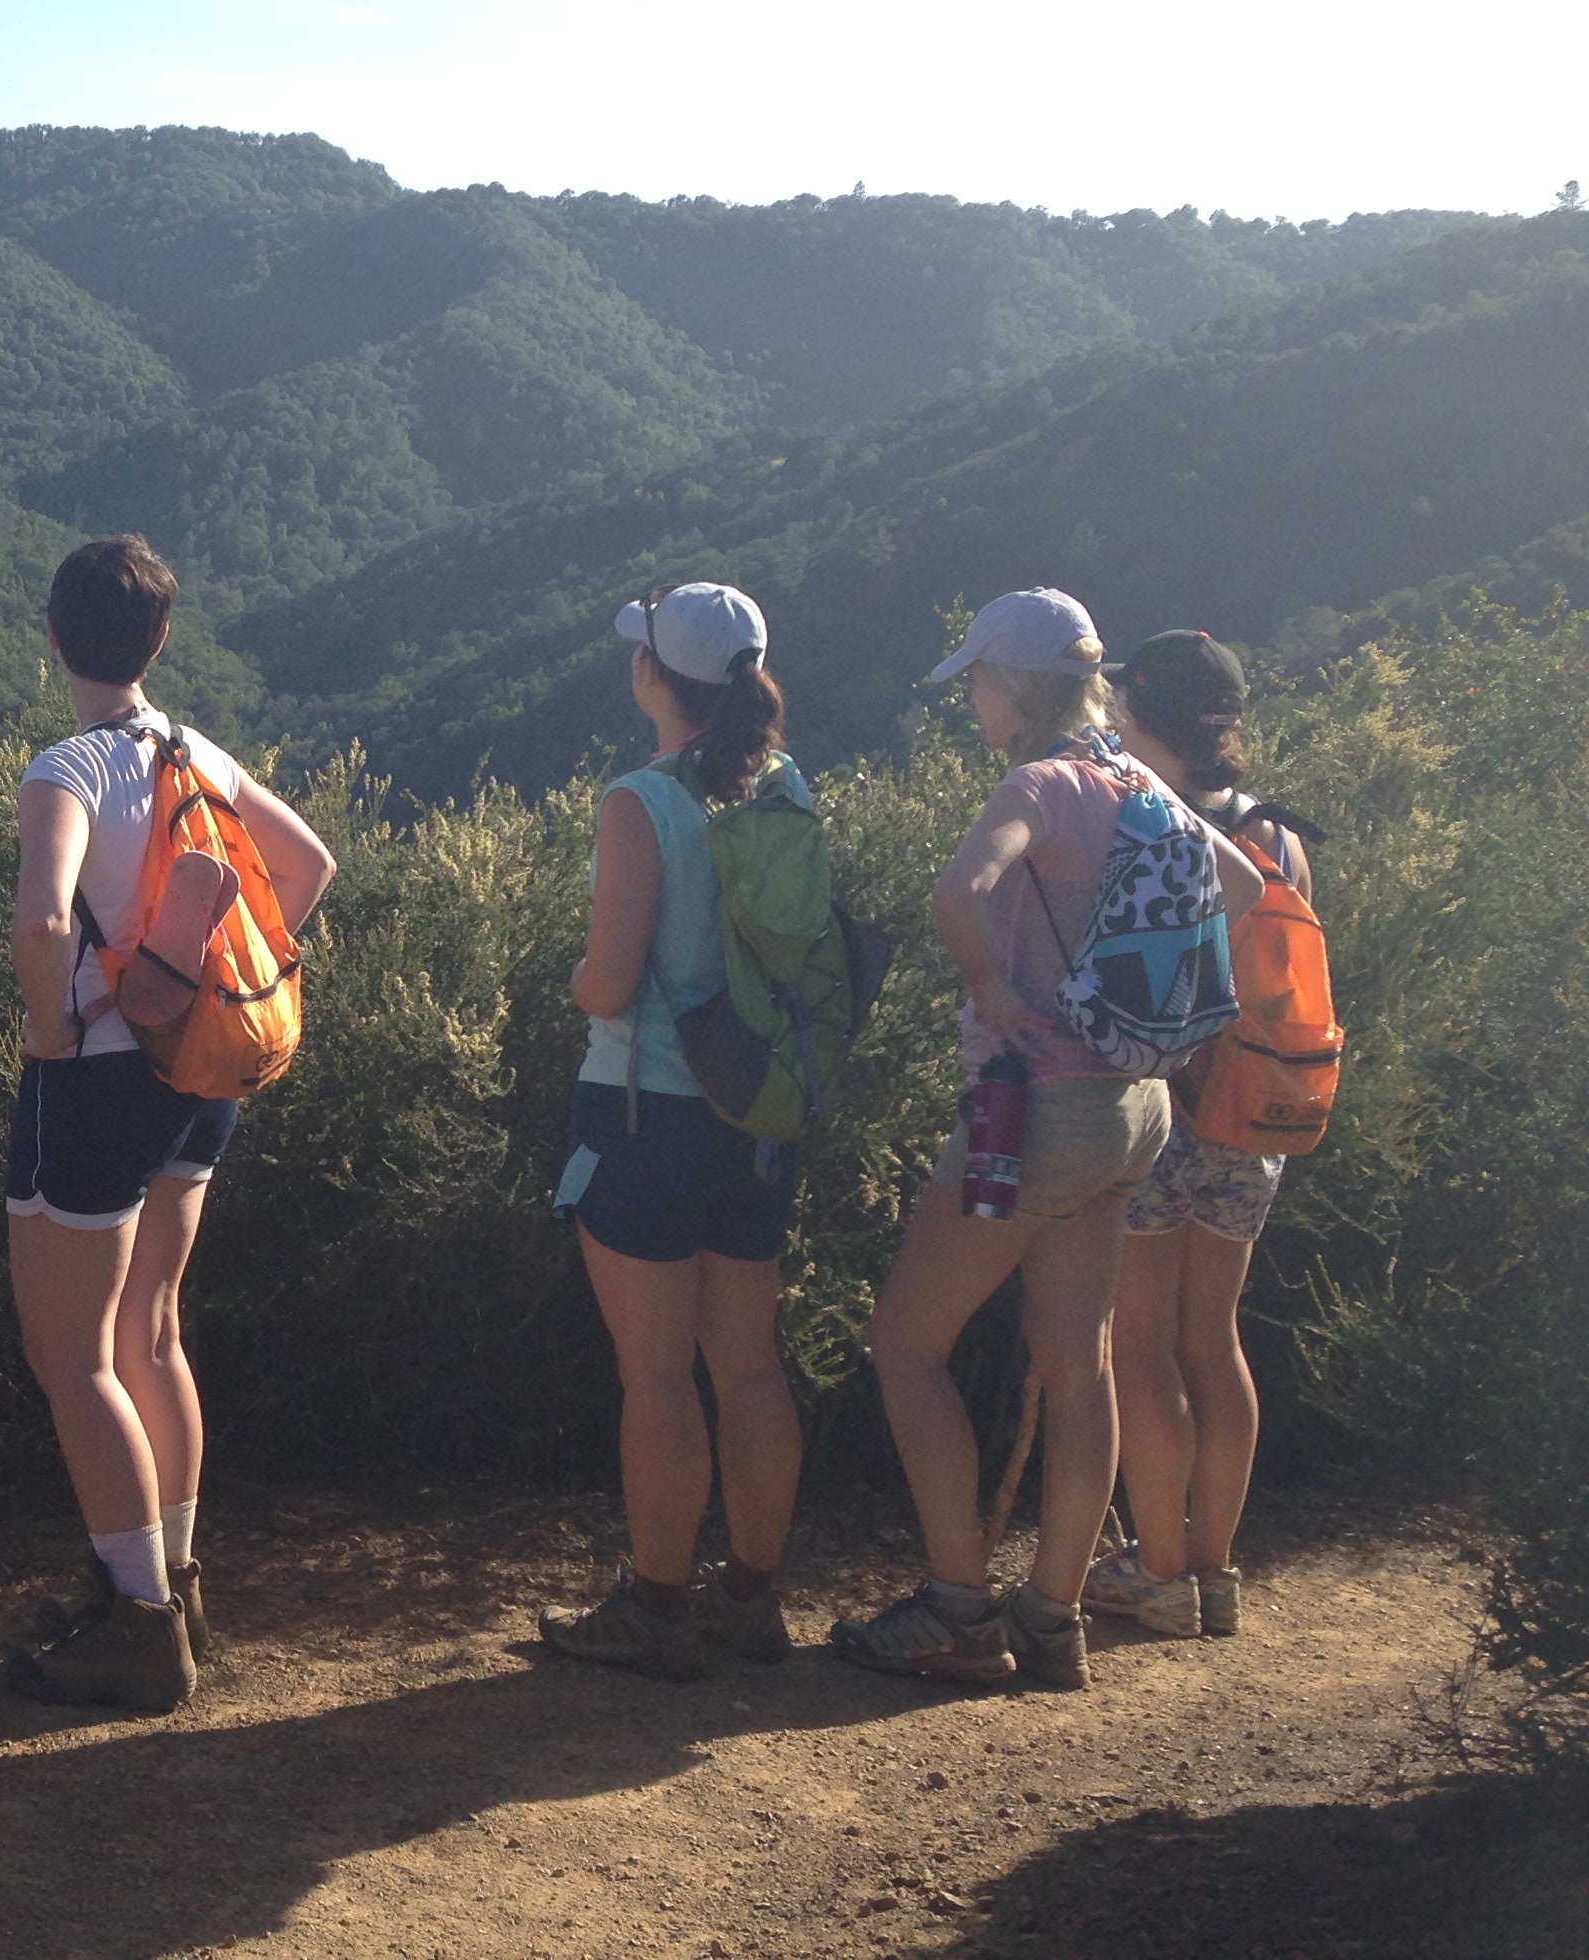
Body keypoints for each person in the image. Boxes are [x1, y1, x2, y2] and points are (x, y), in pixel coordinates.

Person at [831, 589, 1260, 1693]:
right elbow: (1247, 884)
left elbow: (958, 891)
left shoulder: (1038, 783)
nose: (972, 695)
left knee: (906, 1345)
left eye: (978, 678)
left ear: (1014, 687)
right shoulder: (1135, 779)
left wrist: (995, 989)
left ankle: (961, 1609)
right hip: (1136, 1110)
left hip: (1034, 1115)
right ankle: (1054, 1617)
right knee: (1082, 1364)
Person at [0, 535, 337, 1712]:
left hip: (93, 1082)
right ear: (161, 640)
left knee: (72, 1353)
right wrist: (194, 979)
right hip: (198, 1077)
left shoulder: (69, 767)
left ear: (55, 641)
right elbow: (306, 866)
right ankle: (172, 1581)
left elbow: (44, 925)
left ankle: (139, 1623)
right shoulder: (193, 749)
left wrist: (57, 1027)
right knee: (152, 1331)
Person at [538, 582, 808, 1682]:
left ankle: (655, 1607)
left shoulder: (640, 802)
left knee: (657, 1376)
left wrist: (572, 981)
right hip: (759, 1112)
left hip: (647, 1112)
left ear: (656, 677)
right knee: (747, 1366)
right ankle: (750, 1597)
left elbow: (609, 986)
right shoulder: (786, 786)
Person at [1083, 630, 1302, 1642]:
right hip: (1256, 1115)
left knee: (1140, 1345)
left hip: (1167, 1107)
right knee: (1214, 1340)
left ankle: (1156, 1575)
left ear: (1145, 713)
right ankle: (1214, 1570)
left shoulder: (1147, 816)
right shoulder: (1278, 832)